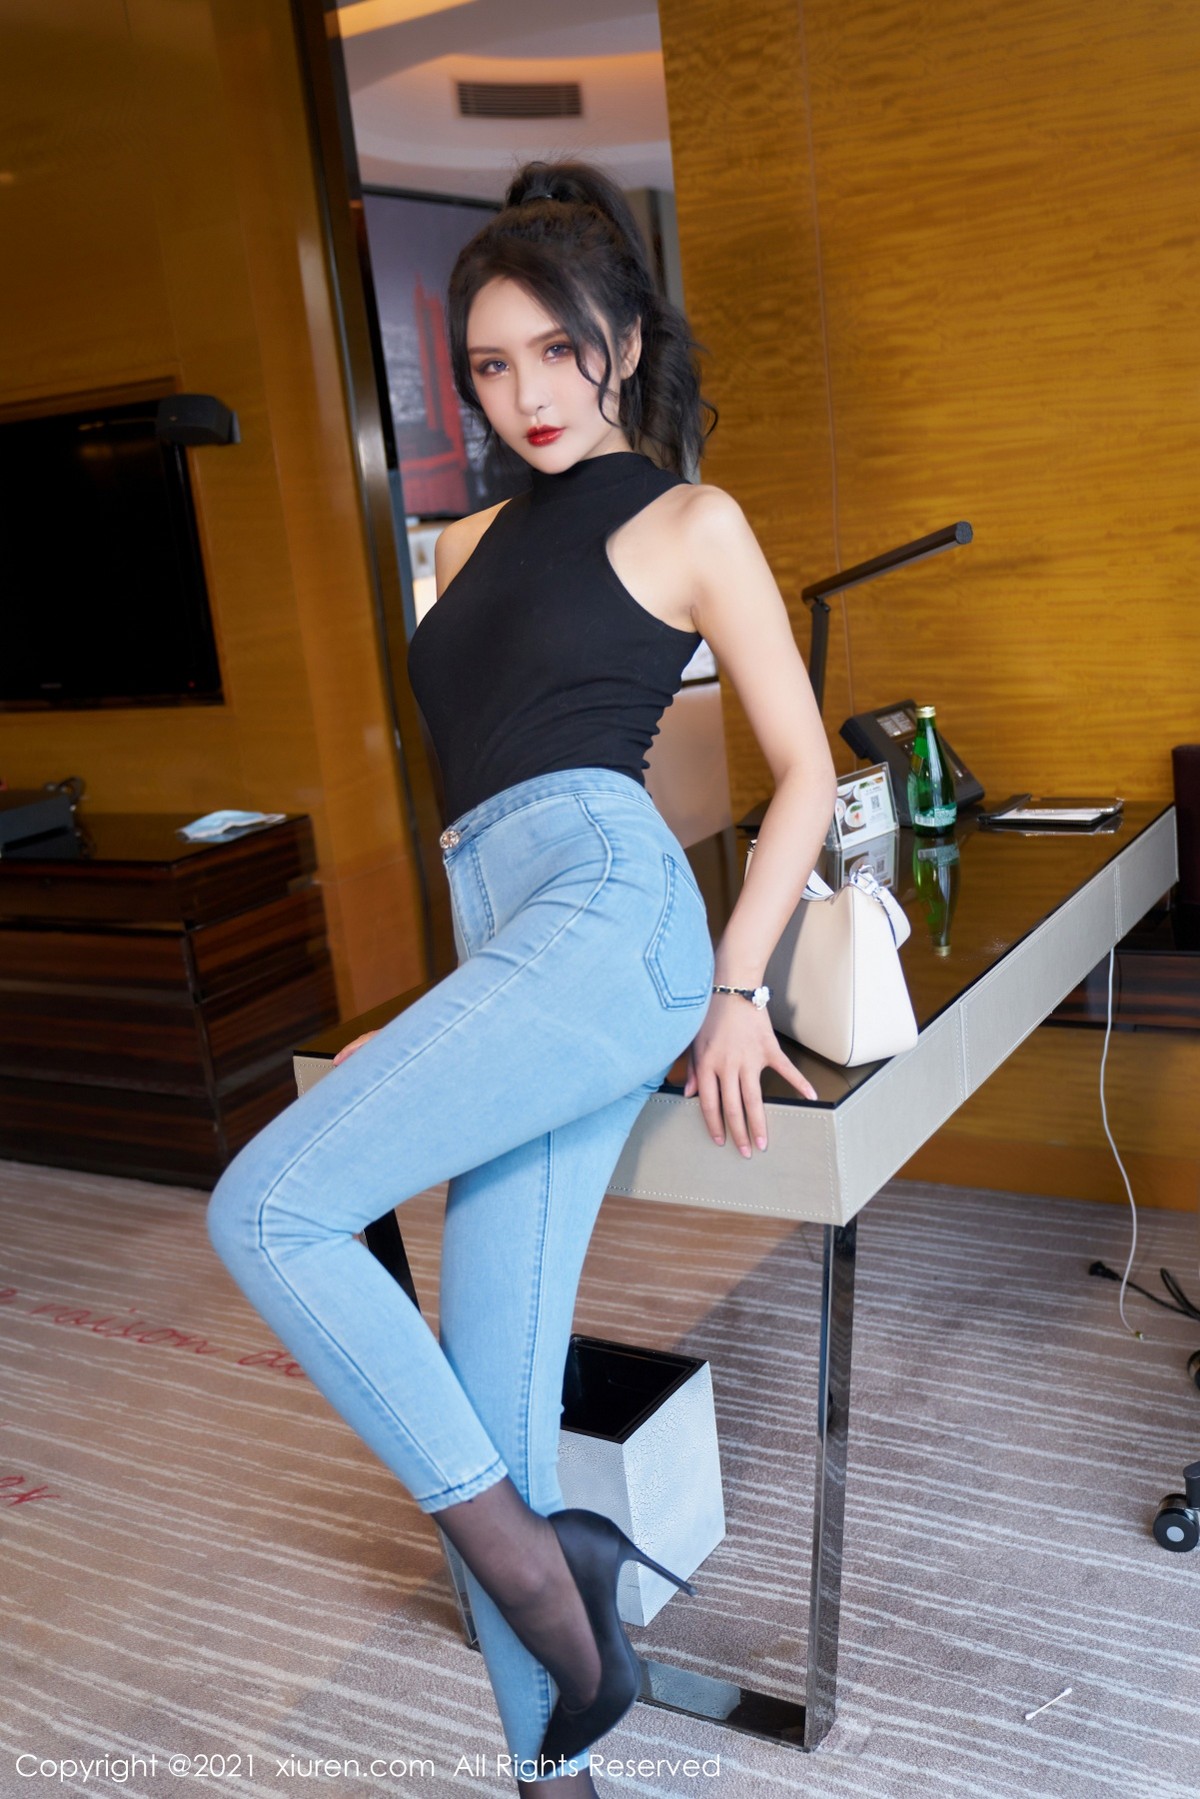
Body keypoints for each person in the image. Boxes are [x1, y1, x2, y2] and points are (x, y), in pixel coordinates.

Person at [206, 157, 836, 1796]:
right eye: (490, 365)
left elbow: (806, 772)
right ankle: (556, 1762)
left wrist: (739, 990)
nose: (528, 392)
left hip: (613, 918)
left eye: (557, 351)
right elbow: (477, 787)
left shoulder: (691, 518)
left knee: (264, 1210)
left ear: (621, 340)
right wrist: (455, 1012)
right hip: (513, 942)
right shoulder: (467, 537)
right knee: (484, 1407)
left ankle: (551, 1559)